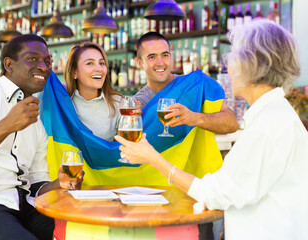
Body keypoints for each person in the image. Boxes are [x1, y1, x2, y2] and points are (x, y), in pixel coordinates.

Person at [115, 20, 308, 239]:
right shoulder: (273, 116)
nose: (228, 67)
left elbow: (215, 193)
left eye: (233, 58)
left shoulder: (269, 126)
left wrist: (153, 157)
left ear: (252, 65)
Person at [0, 34, 83, 240]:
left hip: (22, 206)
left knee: (81, 230)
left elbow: (36, 184)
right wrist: (7, 125)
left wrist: (59, 184)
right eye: (33, 59)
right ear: (9, 64)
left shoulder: (36, 124)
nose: (43, 67)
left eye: (47, 61)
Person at [135, 32, 238, 134]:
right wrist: (138, 123)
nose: (161, 63)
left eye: (165, 55)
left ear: (170, 57)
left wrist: (195, 118)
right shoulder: (138, 103)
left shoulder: (193, 86)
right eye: (152, 57)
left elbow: (232, 123)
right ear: (140, 63)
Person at [63, 41, 124, 142]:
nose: (99, 69)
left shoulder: (118, 104)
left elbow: (125, 147)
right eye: (90, 63)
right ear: (74, 72)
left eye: (101, 63)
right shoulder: (62, 101)